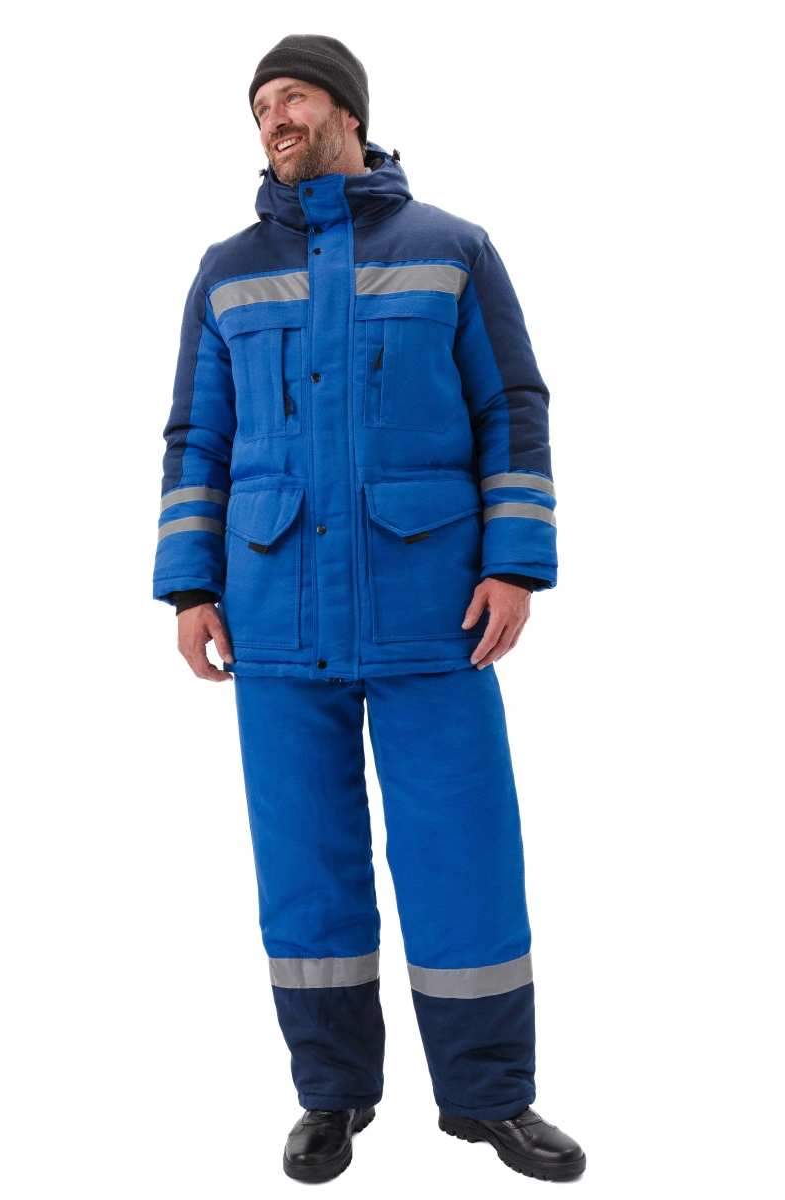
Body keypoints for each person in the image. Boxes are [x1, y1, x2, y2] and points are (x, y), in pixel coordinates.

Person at [153, 34, 585, 1184]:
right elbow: (197, 437)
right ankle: (332, 1095)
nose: (274, 119)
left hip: (432, 612)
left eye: (293, 96)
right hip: (274, 616)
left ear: (348, 110)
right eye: (260, 106)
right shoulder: (226, 270)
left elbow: (512, 409)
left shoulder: (452, 249)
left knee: (463, 856)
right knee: (306, 868)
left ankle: (490, 1100)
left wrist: (515, 564)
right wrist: (190, 584)